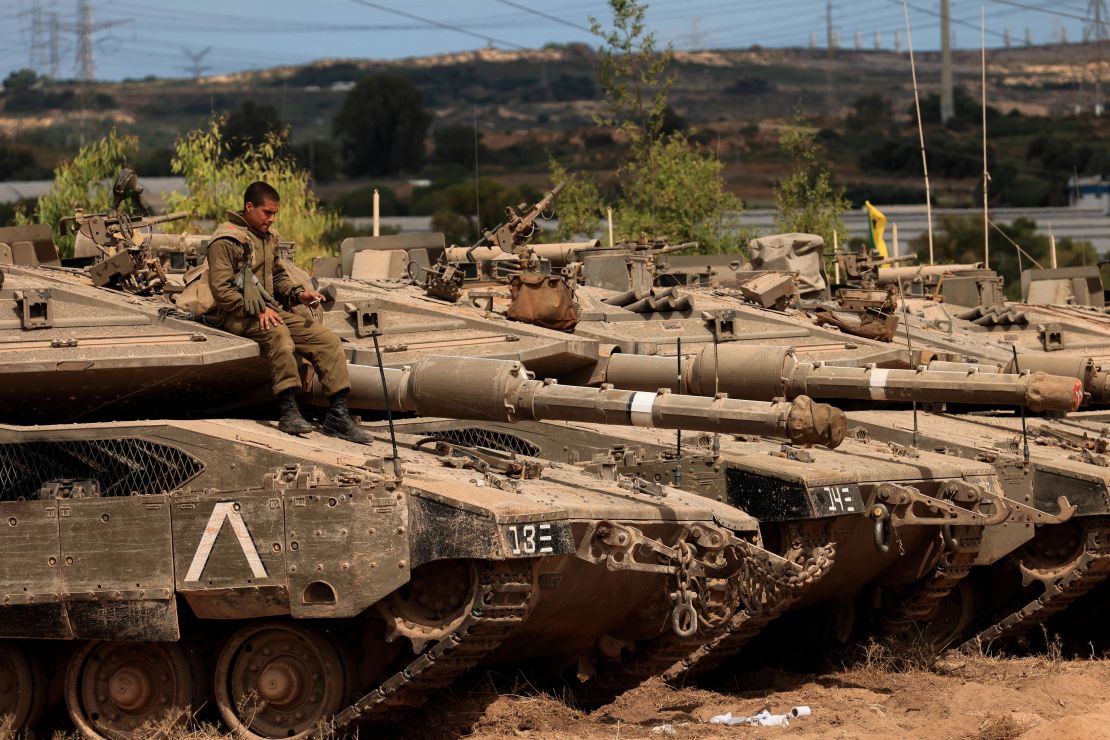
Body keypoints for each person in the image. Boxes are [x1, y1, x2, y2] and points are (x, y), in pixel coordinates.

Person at [207, 181, 370, 443]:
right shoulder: (225, 241)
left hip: (267, 310)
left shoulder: (267, 238)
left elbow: (278, 276)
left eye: (274, 214)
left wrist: (299, 294)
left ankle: (338, 415)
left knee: (326, 340)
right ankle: (288, 409)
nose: (271, 219)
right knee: (279, 336)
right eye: (267, 213)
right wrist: (256, 311)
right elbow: (222, 291)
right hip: (236, 315)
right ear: (249, 207)